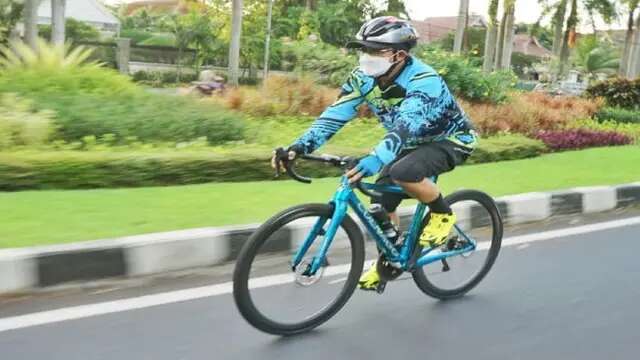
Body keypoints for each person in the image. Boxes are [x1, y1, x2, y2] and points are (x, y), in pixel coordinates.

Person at [271, 16, 478, 291]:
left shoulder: (423, 79)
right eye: (364, 49)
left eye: (375, 50)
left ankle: (442, 214)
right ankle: (391, 260)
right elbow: (335, 115)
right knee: (381, 200)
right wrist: (299, 147)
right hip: (410, 142)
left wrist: (376, 158)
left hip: (450, 139)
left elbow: (406, 125)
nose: (367, 56)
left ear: (399, 55)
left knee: (403, 171)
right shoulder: (362, 79)